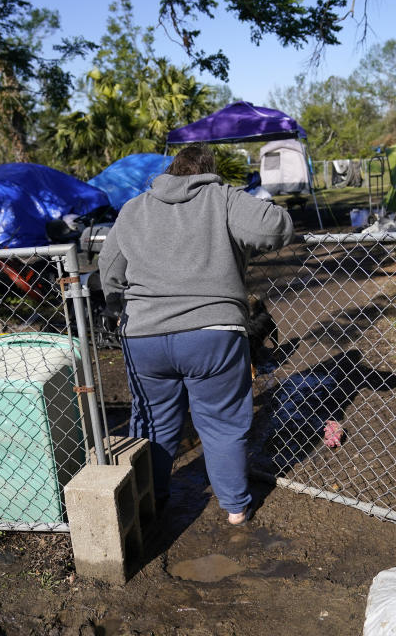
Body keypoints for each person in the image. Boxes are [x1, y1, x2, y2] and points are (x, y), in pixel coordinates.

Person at [98, 144, 294, 526]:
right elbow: (276, 227)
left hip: (145, 338)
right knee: (220, 422)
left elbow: (110, 268)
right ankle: (235, 507)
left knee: (152, 421)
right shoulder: (222, 198)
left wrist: (115, 300)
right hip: (212, 335)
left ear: (171, 171)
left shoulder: (134, 208)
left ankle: (151, 498)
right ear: (209, 172)